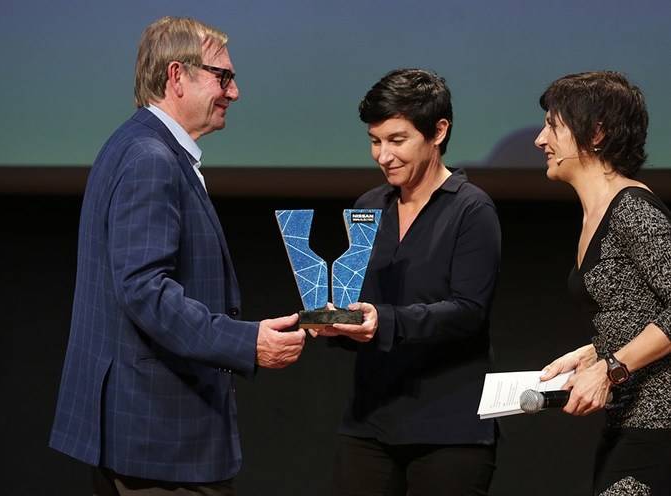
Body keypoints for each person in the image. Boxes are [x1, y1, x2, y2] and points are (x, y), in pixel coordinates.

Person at [49, 16, 306, 495]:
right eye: (223, 76)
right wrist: (245, 342)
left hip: (144, 433)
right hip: (157, 436)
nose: (235, 92)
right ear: (176, 76)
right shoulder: (151, 156)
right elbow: (146, 292)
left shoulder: (135, 143)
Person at [320, 69, 501, 495]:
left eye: (397, 140)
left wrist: (381, 321)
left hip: (449, 428)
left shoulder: (472, 210)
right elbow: (362, 304)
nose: (383, 155)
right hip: (370, 421)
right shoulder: (368, 206)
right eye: (375, 141)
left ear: (438, 132)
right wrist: (337, 322)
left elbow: (469, 312)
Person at [535, 71, 671, 495]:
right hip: (630, 421)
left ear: (596, 133)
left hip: (659, 424)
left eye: (553, 126)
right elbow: (638, 311)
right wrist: (593, 353)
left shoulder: (632, 209)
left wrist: (612, 368)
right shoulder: (597, 212)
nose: (541, 140)